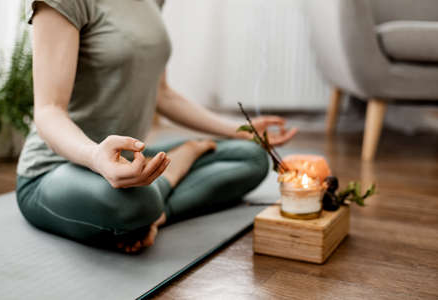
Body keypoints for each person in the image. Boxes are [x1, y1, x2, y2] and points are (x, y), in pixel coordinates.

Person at [16, 0, 297, 253]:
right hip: (55, 168)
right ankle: (160, 192)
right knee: (136, 205)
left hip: (125, 162)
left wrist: (241, 130)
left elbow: (163, 94)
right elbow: (48, 111)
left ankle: (154, 210)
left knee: (251, 158)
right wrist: (94, 157)